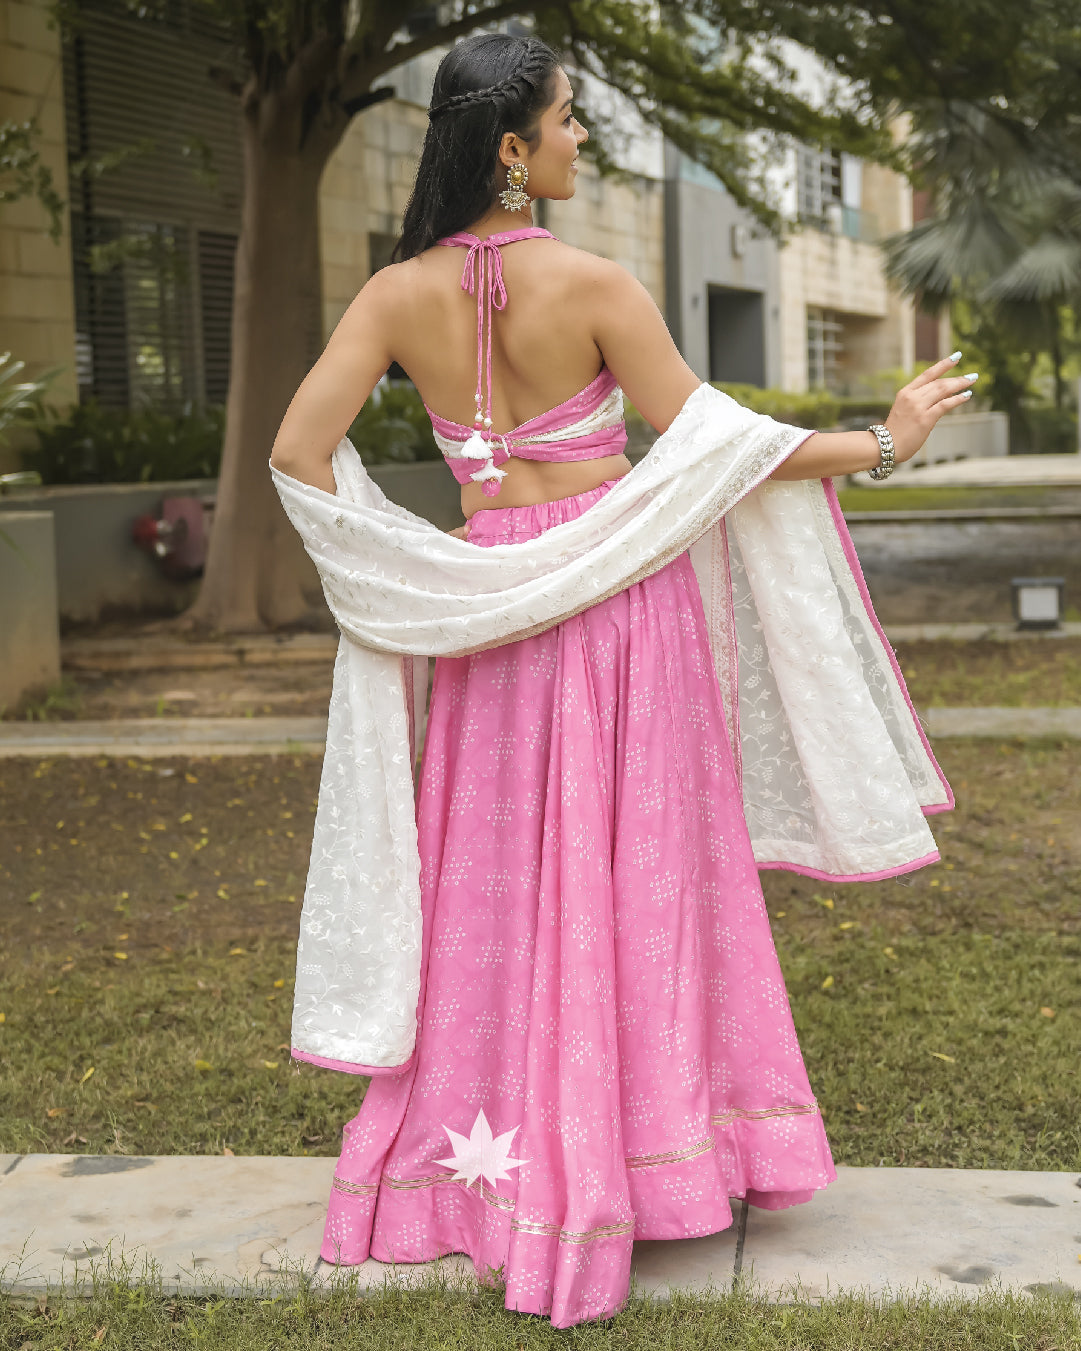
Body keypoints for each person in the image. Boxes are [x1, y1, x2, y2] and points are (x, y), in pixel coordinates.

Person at [269, 31, 967, 1331]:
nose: (584, 140)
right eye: (570, 121)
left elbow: (298, 455)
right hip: (612, 610)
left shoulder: (388, 296)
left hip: (482, 619)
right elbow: (717, 458)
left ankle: (487, 1173)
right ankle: (639, 1157)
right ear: (514, 154)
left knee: (494, 886)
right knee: (639, 875)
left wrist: (412, 573)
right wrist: (885, 439)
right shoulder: (591, 283)